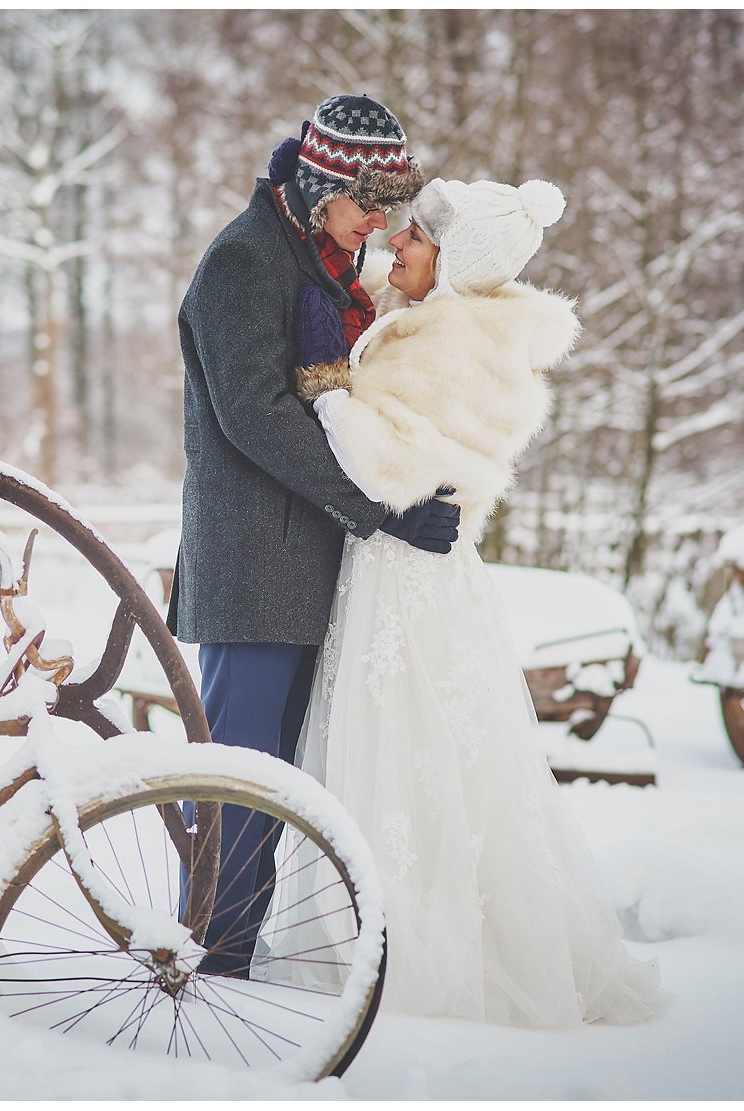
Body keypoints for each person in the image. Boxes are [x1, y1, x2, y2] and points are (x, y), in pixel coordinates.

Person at [275, 177, 671, 1025]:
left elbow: (382, 464)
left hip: (405, 582)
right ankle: (373, 924)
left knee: (407, 743)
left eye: (415, 239)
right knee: (409, 748)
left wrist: (327, 383)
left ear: (453, 266)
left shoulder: (449, 343)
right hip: (398, 571)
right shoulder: (443, 321)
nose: (397, 247)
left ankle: (414, 950)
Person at [170, 95, 460, 976]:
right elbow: (256, 417)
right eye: (368, 202)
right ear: (318, 185)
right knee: (242, 783)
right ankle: (209, 961)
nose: (382, 221)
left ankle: (237, 950)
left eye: (388, 205)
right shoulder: (244, 262)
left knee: (282, 783)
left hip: (306, 563)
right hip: (256, 570)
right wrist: (378, 504)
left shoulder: (322, 254)